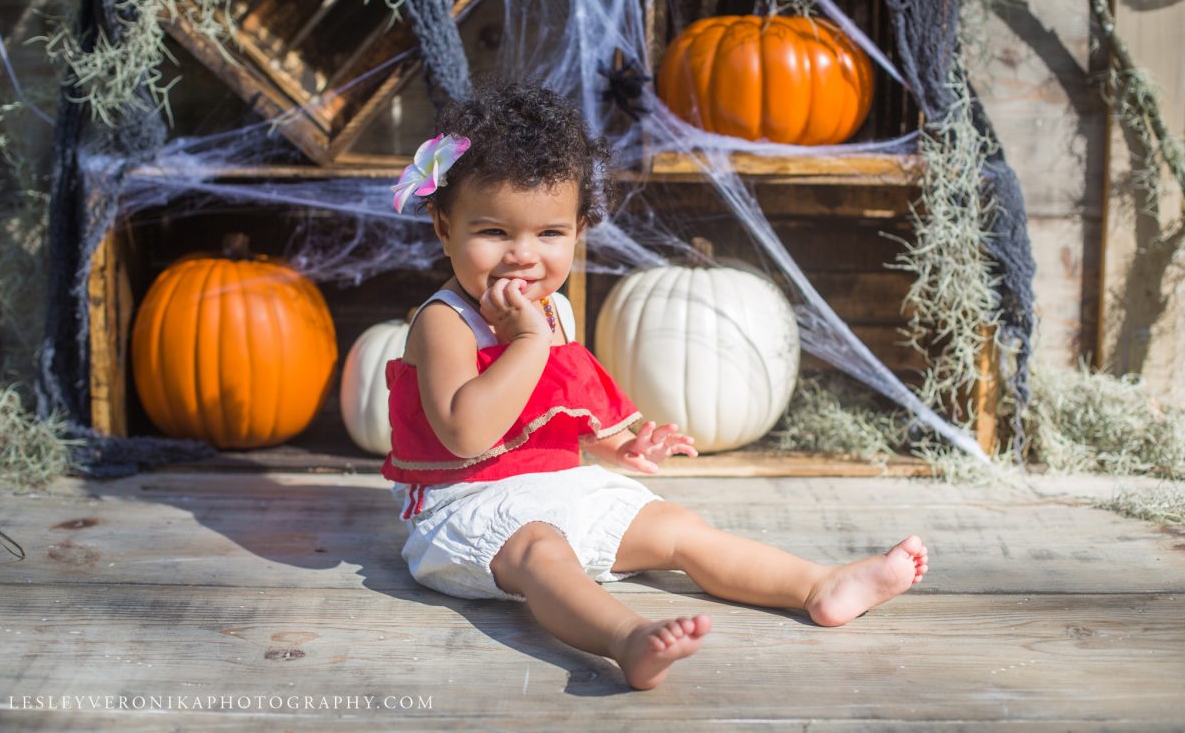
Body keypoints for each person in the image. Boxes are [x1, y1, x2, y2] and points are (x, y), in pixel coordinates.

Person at [382, 82, 929, 690]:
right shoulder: (444, 322)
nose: (523, 256)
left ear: (579, 229)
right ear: (442, 226)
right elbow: (467, 435)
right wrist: (527, 343)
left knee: (678, 526)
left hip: (558, 486)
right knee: (542, 553)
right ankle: (627, 638)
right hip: (467, 509)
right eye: (493, 233)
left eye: (549, 234)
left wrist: (618, 446)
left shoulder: (552, 310)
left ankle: (818, 585)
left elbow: (557, 404)